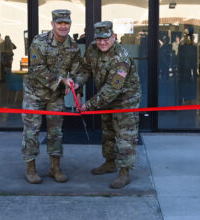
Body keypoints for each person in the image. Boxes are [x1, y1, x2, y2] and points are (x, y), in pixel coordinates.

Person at [74, 21, 141, 189]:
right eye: (99, 39)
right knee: (108, 132)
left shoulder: (121, 58)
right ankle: (110, 162)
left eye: (106, 39)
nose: (102, 43)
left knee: (125, 135)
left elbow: (112, 90)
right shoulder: (93, 49)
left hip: (125, 100)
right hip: (106, 99)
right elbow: (85, 69)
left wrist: (87, 106)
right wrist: (77, 85)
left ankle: (125, 172)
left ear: (113, 37)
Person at [22, 9, 81, 184]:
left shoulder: (73, 46)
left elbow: (77, 69)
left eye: (66, 23)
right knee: (31, 133)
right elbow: (36, 69)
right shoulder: (39, 42)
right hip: (35, 94)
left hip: (55, 97)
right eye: (60, 23)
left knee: (56, 132)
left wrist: (75, 83)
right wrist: (62, 80)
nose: (63, 26)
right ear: (52, 24)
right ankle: (30, 168)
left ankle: (55, 167)